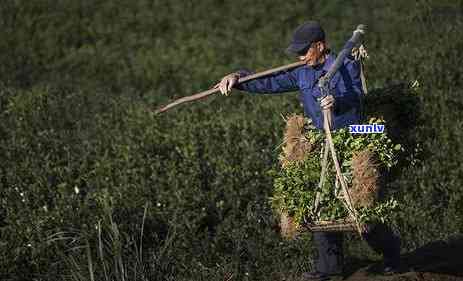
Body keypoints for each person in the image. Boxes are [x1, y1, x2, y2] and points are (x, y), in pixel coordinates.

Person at [215, 21, 401, 280]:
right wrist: (237, 78)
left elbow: (356, 96)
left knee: (359, 205)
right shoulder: (301, 71)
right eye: (298, 52)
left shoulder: (345, 65)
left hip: (351, 135)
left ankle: (392, 254)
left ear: (320, 46)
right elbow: (269, 82)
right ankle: (329, 267)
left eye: (305, 51)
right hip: (321, 140)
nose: (300, 56)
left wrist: (336, 102)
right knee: (320, 200)